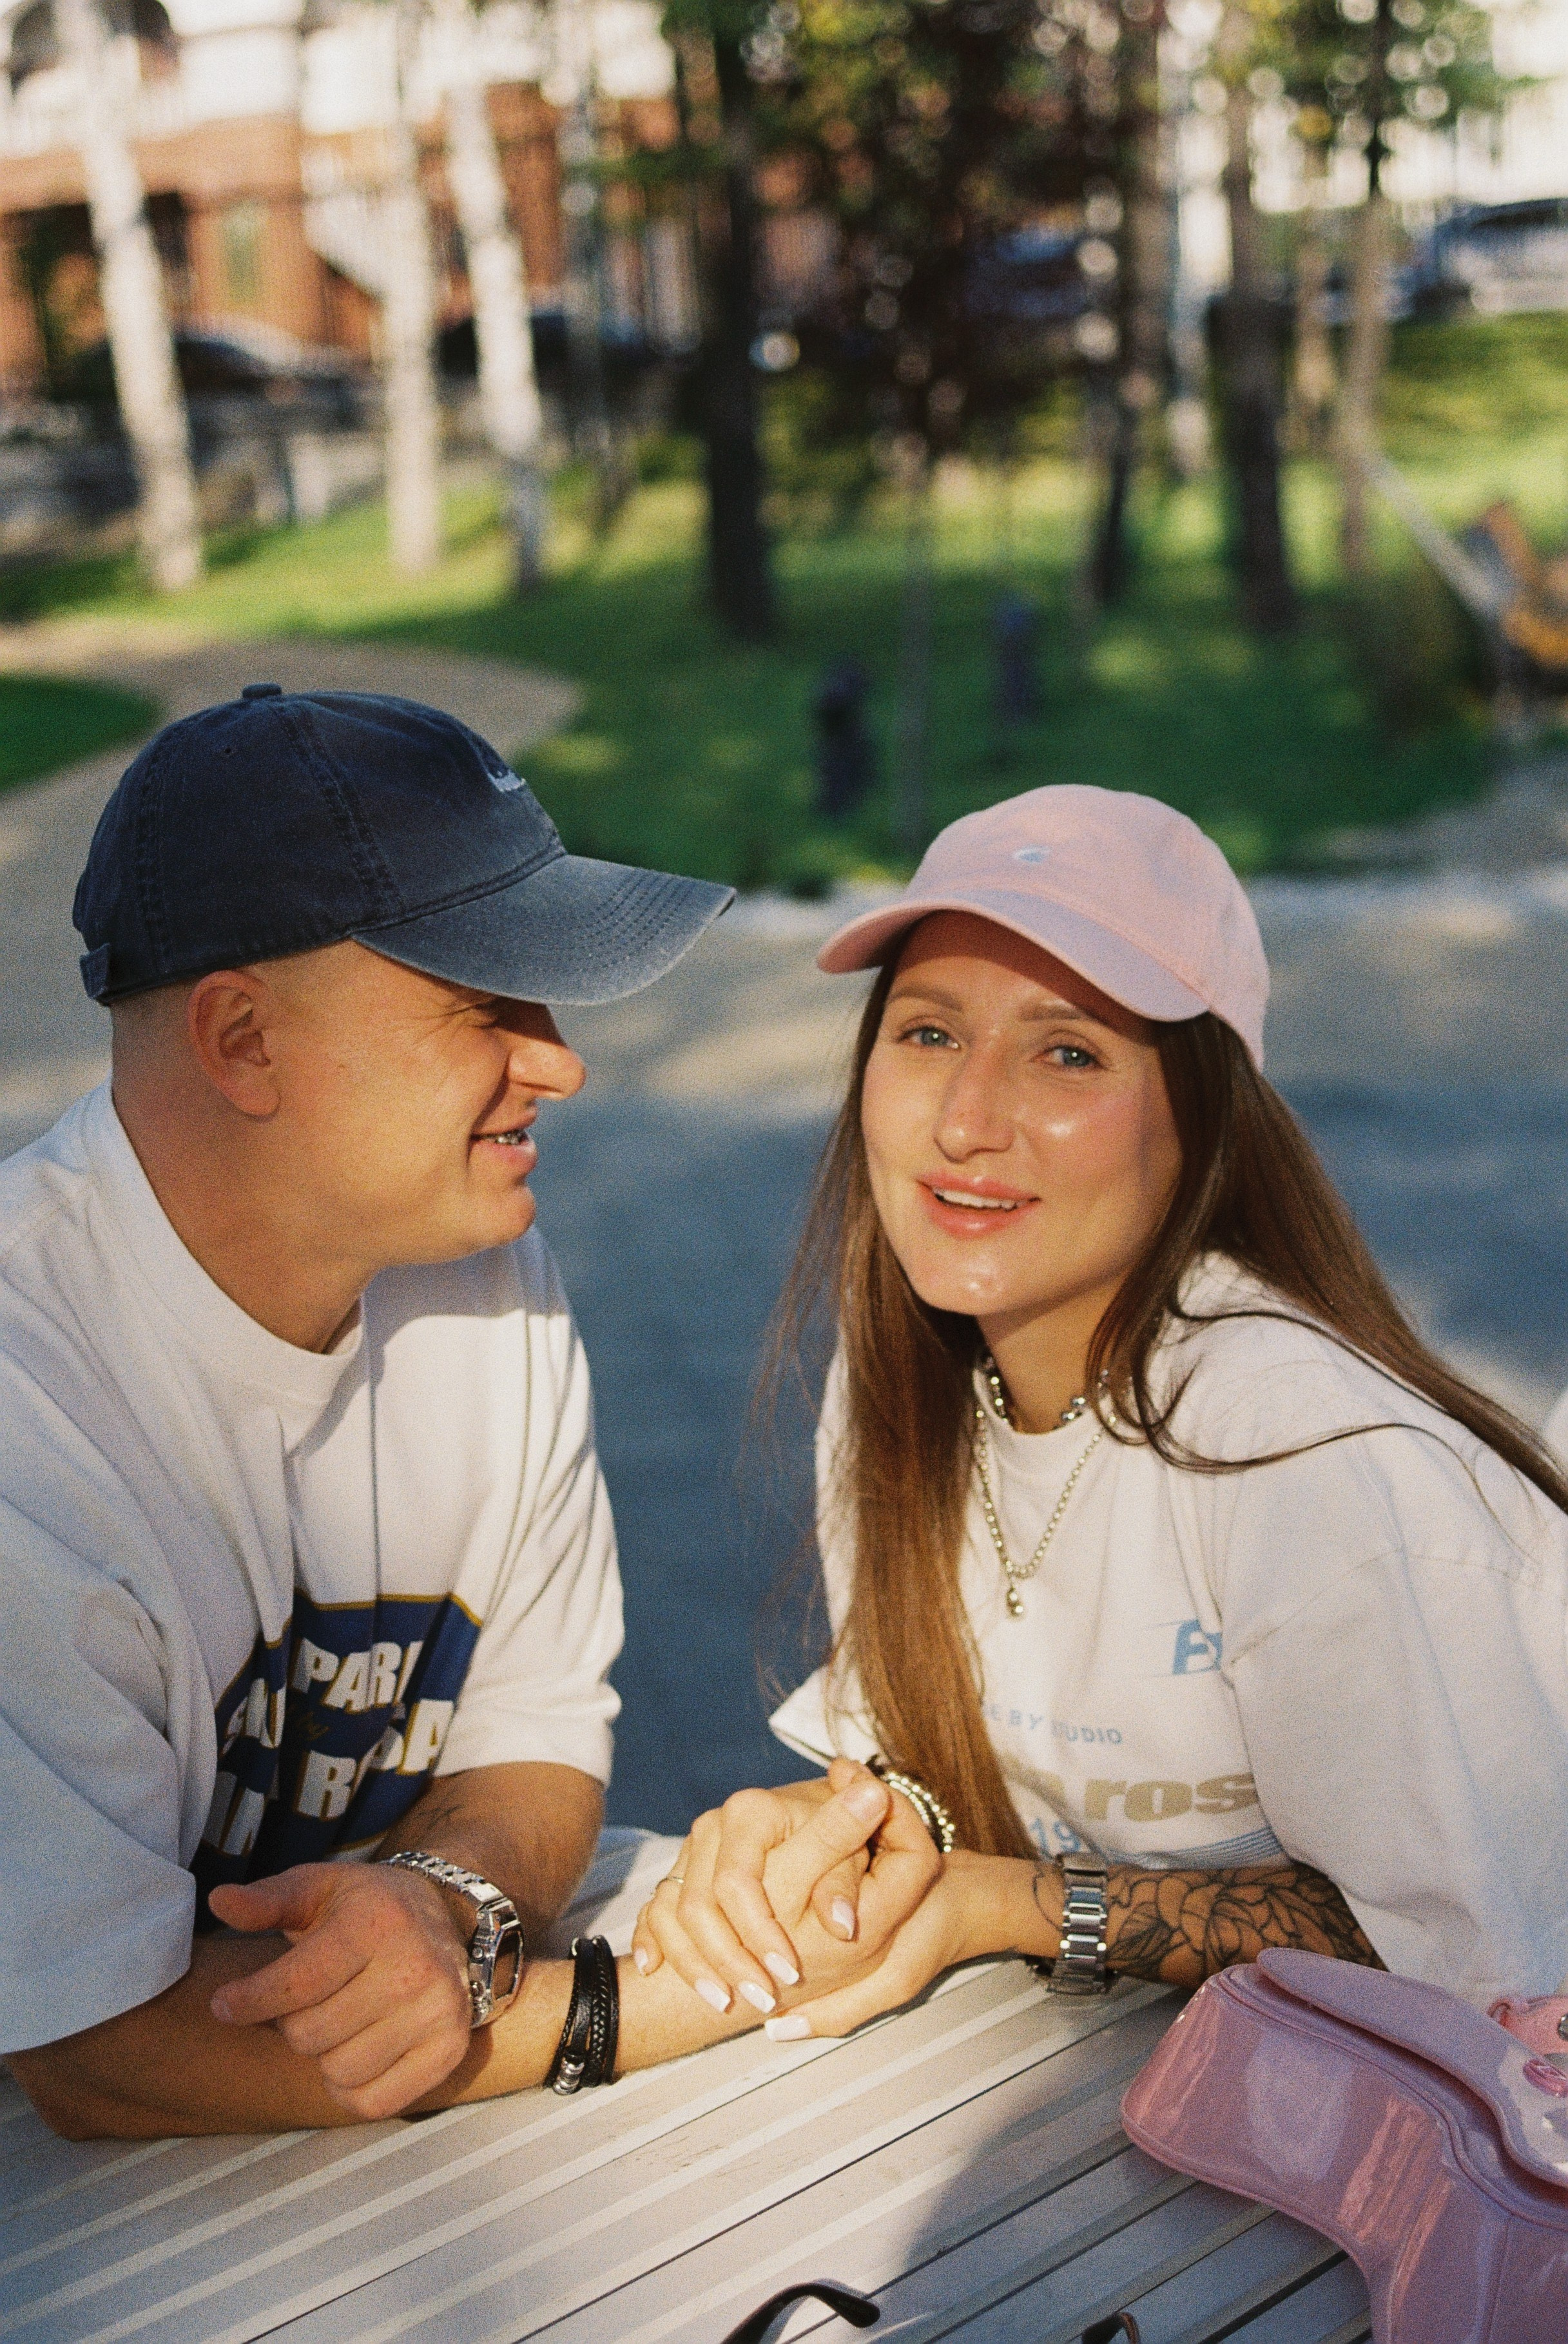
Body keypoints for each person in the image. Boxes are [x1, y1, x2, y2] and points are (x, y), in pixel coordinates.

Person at [1, 686, 932, 2139]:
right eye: (483, 1003)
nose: (558, 1061)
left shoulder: (485, 1274)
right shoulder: (27, 1399)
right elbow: (97, 2048)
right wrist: (668, 2000)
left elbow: (540, 1725)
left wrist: (447, 1904)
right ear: (242, 1041)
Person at [632, 783, 1568, 2036]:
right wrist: (837, 1825)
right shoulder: (907, 1377)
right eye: (925, 1033)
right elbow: (938, 1783)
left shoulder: (1306, 1463)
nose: (966, 1120)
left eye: (1065, 1050)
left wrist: (1015, 1903)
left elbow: (1464, 1960)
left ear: (1203, 1117)